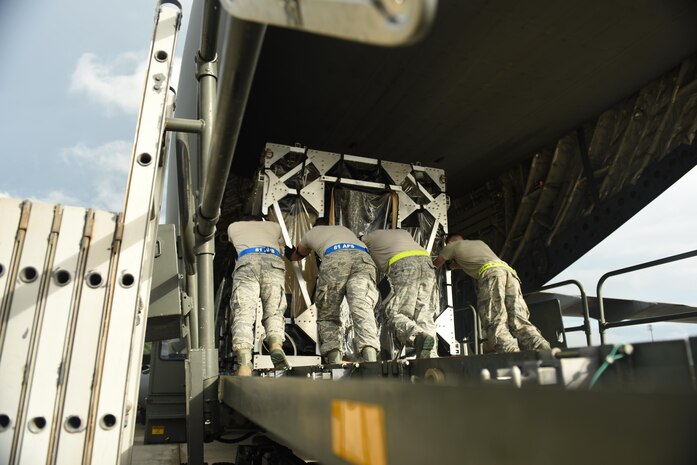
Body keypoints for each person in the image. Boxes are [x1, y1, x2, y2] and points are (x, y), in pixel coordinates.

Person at [433, 233, 550, 353]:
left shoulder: (452, 246)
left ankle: (510, 352)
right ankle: (540, 345)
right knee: (518, 318)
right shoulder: (479, 243)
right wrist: (455, 265)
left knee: (494, 319)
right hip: (509, 272)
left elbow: (436, 263)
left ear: (450, 242)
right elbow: (467, 261)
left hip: (491, 274)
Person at [286, 221, 380, 364]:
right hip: (363, 258)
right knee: (362, 309)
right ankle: (371, 360)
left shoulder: (310, 233)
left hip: (336, 257)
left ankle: (335, 361)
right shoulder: (344, 229)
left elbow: (298, 254)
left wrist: (290, 254)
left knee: (328, 314)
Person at [227, 217, 291, 376]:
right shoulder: (274, 226)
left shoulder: (233, 225)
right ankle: (275, 345)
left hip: (247, 261)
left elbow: (233, 251)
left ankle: (244, 365)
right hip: (273, 262)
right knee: (274, 311)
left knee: (243, 314)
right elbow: (284, 249)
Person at [360, 228, 437, 359]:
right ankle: (430, 357)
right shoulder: (403, 233)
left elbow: (358, 247)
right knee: (424, 314)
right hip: (426, 262)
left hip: (403, 264)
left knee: (395, 313)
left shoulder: (367, 238)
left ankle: (417, 336)